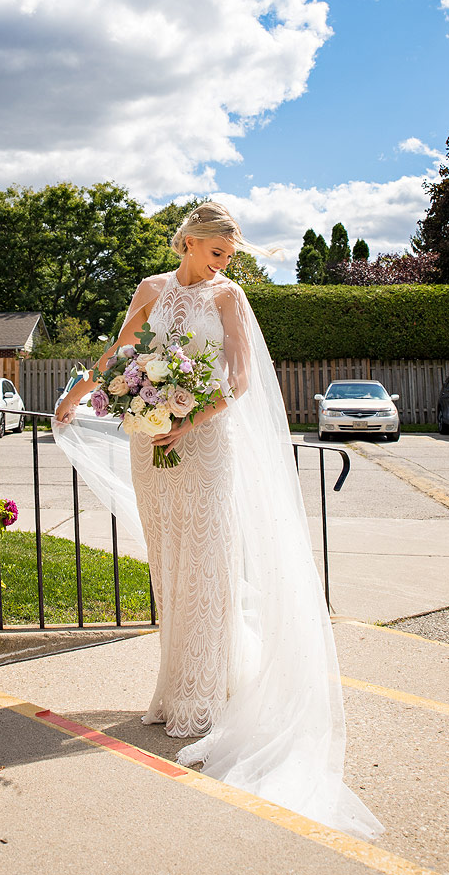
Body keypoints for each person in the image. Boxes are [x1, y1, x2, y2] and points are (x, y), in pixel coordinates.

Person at [53, 202, 382, 840]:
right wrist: (72, 396)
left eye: (228, 256)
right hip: (149, 441)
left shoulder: (229, 298)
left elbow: (239, 379)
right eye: (216, 252)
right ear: (189, 242)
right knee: (169, 561)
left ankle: (204, 699)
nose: (224, 264)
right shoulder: (149, 289)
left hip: (204, 443)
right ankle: (171, 690)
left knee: (207, 563)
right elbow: (120, 352)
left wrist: (187, 423)